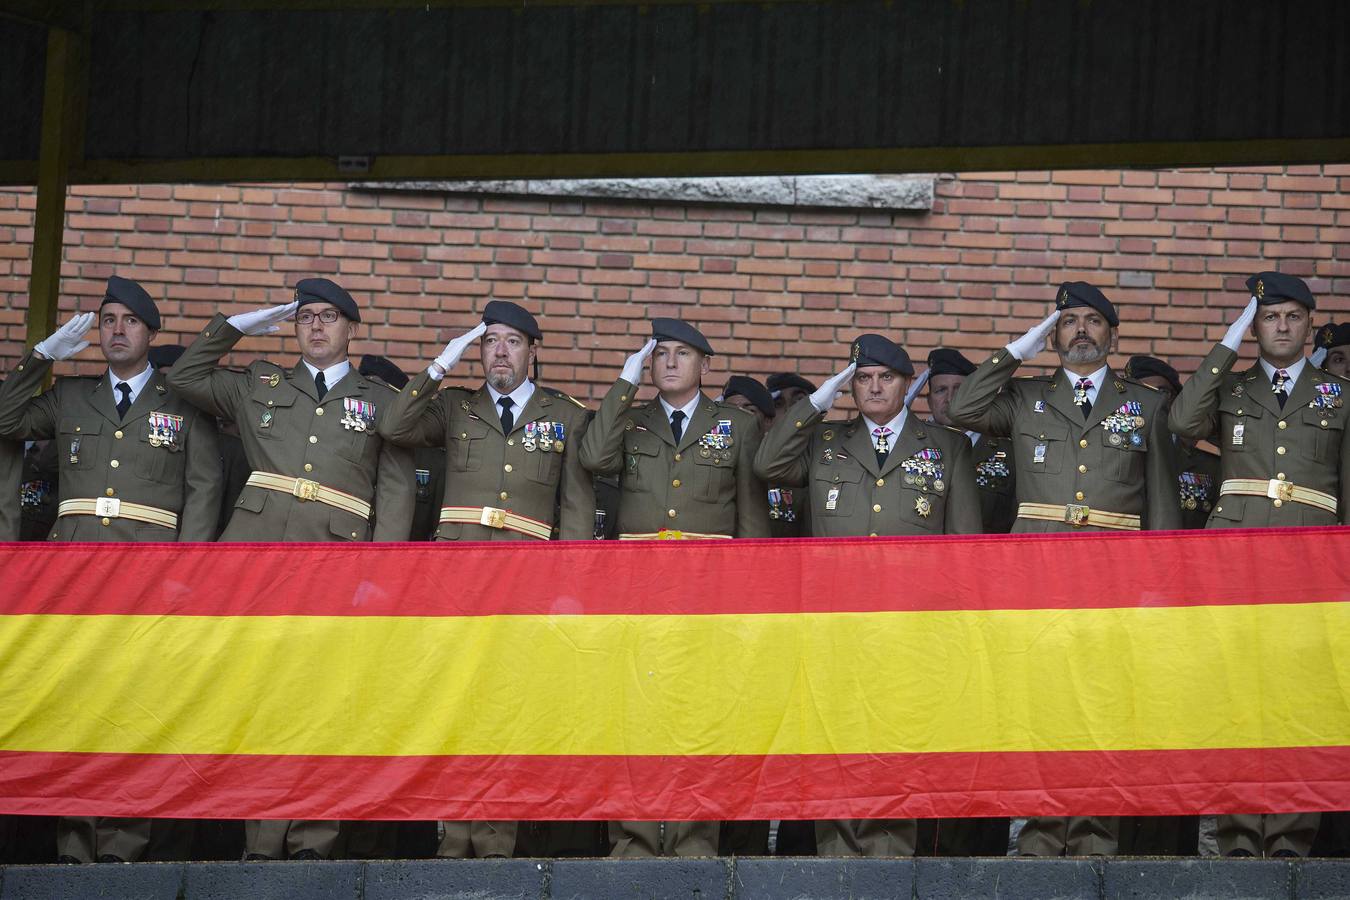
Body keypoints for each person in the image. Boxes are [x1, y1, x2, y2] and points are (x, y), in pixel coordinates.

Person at [167, 277, 415, 861]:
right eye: (305, 317)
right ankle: (260, 840)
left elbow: (397, 492)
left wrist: (377, 575)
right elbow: (184, 376)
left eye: (329, 317)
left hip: (337, 565)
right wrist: (240, 325)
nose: (316, 326)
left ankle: (312, 842)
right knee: (259, 701)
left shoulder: (379, 399)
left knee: (322, 706)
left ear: (351, 328)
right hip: (256, 564)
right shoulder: (259, 382)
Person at [947, 282, 1180, 857]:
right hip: (1039, 570)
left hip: (1114, 573)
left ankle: (1096, 834)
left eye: (1092, 321)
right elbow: (962, 407)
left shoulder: (1145, 404)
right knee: (1042, 704)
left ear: (1112, 335)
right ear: (1053, 336)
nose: (1080, 330)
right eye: (1068, 321)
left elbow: (1162, 501)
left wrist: (1160, 583)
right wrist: (1018, 349)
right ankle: (1043, 832)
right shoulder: (1026, 397)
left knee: (1104, 705)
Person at [0, 274, 220, 864]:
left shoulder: (183, 400)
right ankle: (76, 844)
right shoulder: (71, 397)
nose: (116, 331)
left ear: (152, 332)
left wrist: (186, 573)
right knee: (79, 710)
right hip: (75, 578)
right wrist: (40, 359)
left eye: (129, 321)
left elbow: (204, 488)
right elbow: (5, 421)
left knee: (134, 712)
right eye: (107, 321)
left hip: (148, 578)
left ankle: (123, 846)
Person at [378, 300, 592, 859]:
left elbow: (574, 507)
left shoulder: (566, 415)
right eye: (490, 341)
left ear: (532, 350)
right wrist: (438, 366)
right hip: (458, 581)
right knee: (454, 708)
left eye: (512, 341)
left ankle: (497, 846)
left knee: (507, 712)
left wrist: (568, 588)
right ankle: (452, 841)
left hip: (527, 582)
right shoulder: (453, 407)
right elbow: (394, 426)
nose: (500, 351)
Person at [754, 333, 979, 858]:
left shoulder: (945, 447)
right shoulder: (824, 441)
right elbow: (768, 464)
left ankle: (893, 863)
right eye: (862, 379)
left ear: (907, 385)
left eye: (886, 378)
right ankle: (839, 862)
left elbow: (963, 548)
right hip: (836, 625)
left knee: (899, 746)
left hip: (911, 628)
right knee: (837, 745)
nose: (874, 388)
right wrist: (816, 402)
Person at [1169, 271, 1348, 858]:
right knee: (1236, 700)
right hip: (1237, 560)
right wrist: (1228, 342)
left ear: (1308, 327)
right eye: (1269, 316)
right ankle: (1239, 841)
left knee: (1302, 704)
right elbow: (1180, 422)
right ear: (1256, 326)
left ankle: (1292, 842)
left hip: (1312, 564)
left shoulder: (1338, 395)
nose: (1281, 326)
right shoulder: (1229, 389)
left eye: (1292, 316)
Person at [579, 317, 769, 857]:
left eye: (681, 354)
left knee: (699, 719)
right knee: (633, 716)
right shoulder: (631, 420)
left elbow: (751, 520)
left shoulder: (735, 424)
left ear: (705, 365)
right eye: (659, 354)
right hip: (637, 594)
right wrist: (623, 383)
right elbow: (593, 457)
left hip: (706, 598)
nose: (667, 362)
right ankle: (634, 839)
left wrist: (746, 604)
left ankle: (693, 838)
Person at [724, 374, 804, 537]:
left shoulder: (785, 466)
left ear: (768, 420)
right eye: (731, 411)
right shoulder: (718, 471)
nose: (740, 418)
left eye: (750, 410)